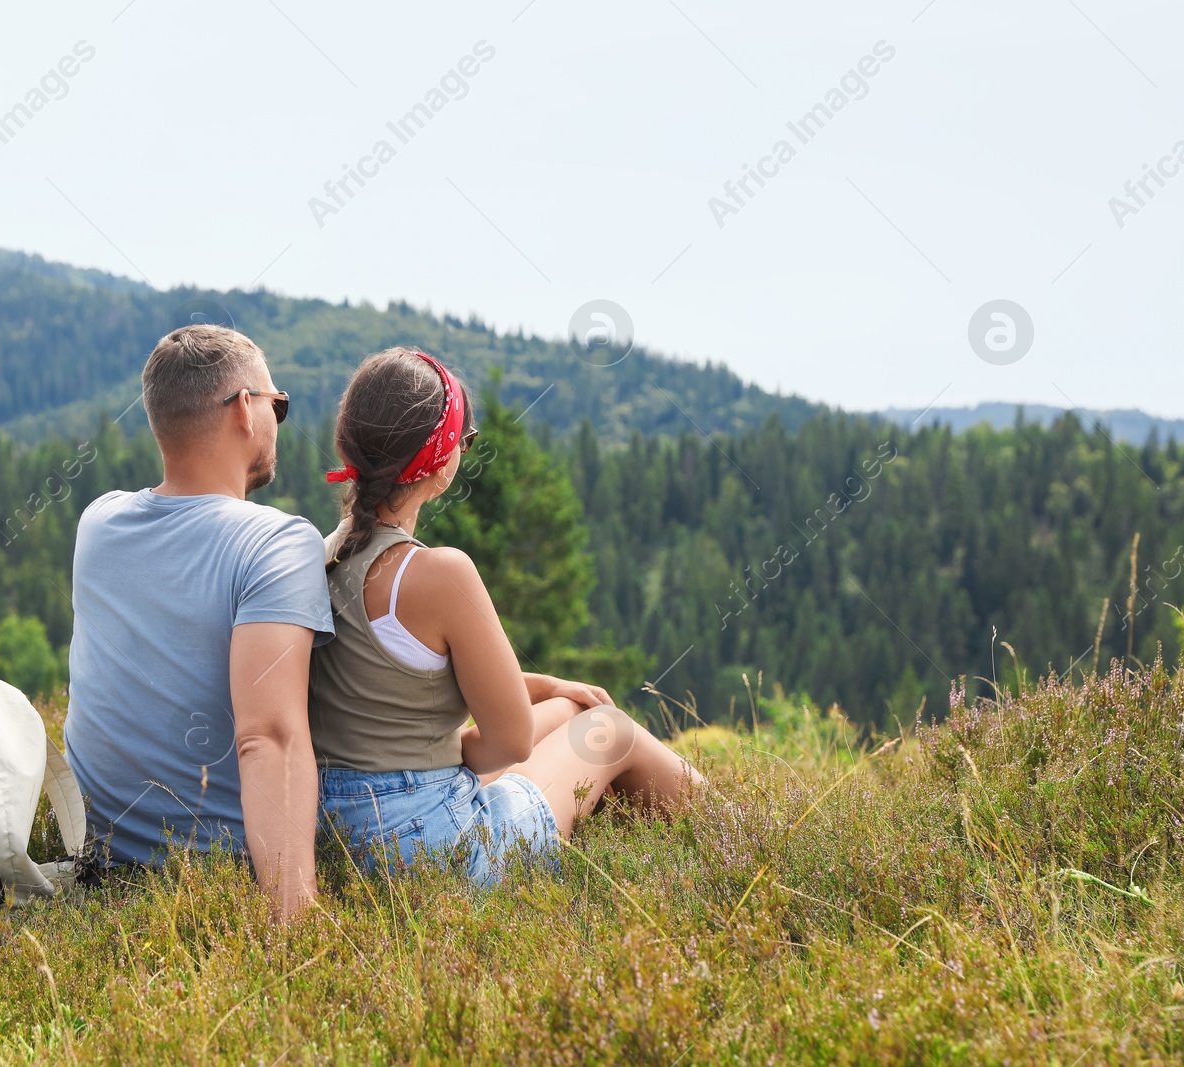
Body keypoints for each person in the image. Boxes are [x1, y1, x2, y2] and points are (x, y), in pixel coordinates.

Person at [309, 348, 706, 884]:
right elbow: (509, 743)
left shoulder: (320, 555)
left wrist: (550, 690)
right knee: (608, 730)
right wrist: (471, 741)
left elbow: (396, 681)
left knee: (572, 712)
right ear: (440, 459)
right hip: (438, 853)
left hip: (338, 840)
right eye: (464, 439)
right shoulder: (438, 573)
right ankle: (746, 839)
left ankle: (646, 851)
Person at [64, 324, 333, 919]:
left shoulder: (98, 522)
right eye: (277, 404)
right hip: (214, 867)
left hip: (96, 855)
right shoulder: (278, 542)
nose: (278, 419)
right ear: (244, 408)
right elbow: (269, 737)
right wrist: (297, 922)